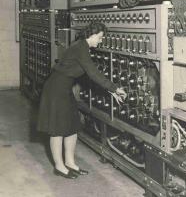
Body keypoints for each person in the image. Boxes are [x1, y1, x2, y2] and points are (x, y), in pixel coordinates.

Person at [37, 22, 127, 179]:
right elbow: (92, 73)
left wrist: (109, 91)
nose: (100, 41)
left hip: (65, 89)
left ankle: (70, 163)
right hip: (56, 90)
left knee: (72, 126)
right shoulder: (80, 48)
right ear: (92, 35)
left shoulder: (82, 47)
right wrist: (114, 88)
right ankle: (59, 166)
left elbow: (90, 74)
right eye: (99, 38)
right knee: (57, 129)